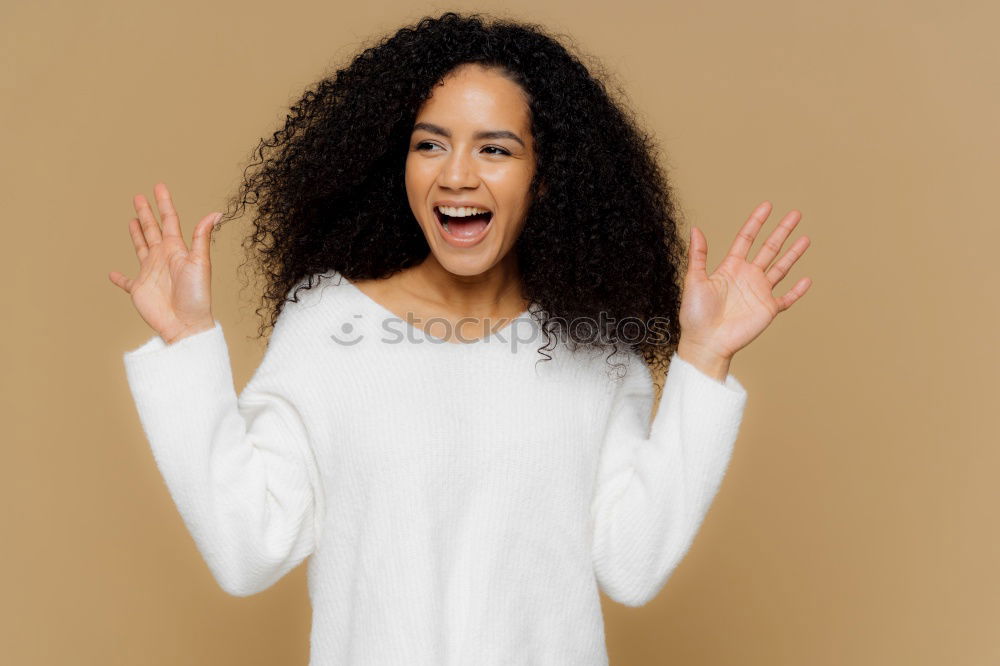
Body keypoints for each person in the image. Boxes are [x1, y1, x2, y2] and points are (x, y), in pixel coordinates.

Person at [108, 11, 811, 666]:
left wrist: (703, 360)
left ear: (546, 177)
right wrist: (188, 343)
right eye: (430, 144)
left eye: (495, 149)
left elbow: (630, 565)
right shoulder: (326, 326)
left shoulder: (595, 348)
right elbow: (246, 548)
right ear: (397, 162)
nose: (456, 175)